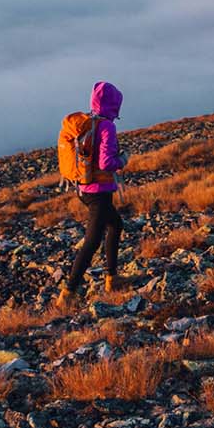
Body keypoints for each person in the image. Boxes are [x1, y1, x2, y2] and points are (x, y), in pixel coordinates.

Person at [56, 81, 128, 305]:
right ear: (113, 105)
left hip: (83, 188)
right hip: (99, 192)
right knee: (92, 241)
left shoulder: (86, 123)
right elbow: (106, 163)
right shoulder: (106, 127)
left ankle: (112, 278)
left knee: (115, 224)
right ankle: (68, 293)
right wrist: (122, 160)